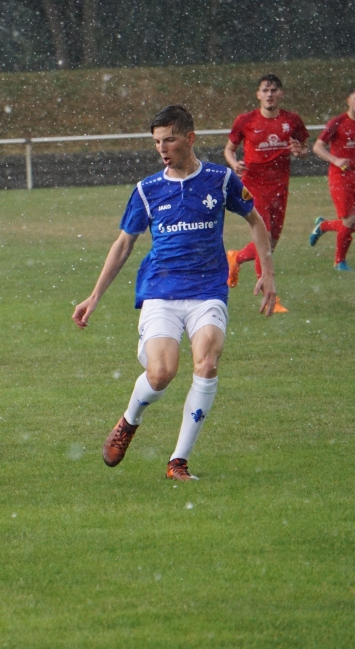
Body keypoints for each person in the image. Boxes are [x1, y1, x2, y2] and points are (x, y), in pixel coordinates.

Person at [72, 105, 276, 481]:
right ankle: (130, 420)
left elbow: (256, 220)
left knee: (208, 363)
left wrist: (266, 273)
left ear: (190, 138)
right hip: (161, 291)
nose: (162, 148)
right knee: (162, 372)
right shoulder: (147, 190)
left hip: (208, 290)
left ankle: (177, 462)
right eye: (156, 142)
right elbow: (123, 245)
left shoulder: (220, 179)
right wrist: (95, 295)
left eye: (169, 139)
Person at [224, 74, 309, 312]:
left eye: (274, 90)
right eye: (265, 90)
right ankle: (270, 296)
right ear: (258, 94)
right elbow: (229, 149)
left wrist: (300, 151)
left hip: (280, 188)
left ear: (280, 94)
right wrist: (234, 163)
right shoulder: (246, 120)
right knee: (265, 238)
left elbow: (304, 149)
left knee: (269, 243)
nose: (270, 94)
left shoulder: (292, 121)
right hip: (254, 186)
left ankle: (236, 257)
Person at [310, 87, 355, 271]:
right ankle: (339, 262)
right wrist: (335, 159)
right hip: (340, 176)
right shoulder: (337, 122)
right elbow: (317, 147)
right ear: (348, 101)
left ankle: (323, 225)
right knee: (349, 221)